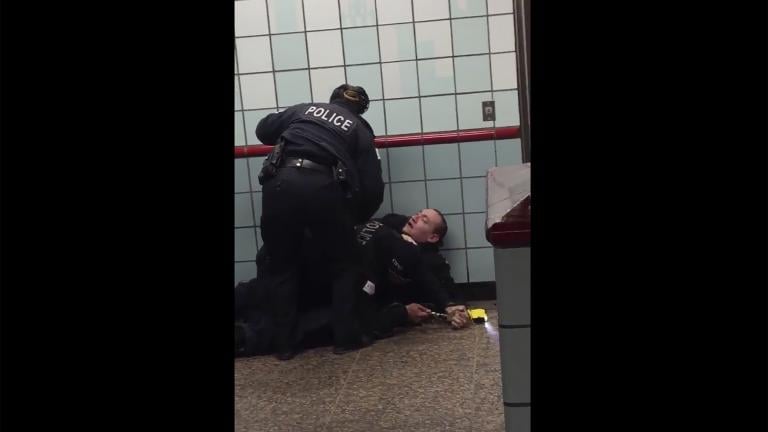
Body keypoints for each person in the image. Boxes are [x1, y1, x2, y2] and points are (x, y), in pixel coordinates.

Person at [254, 84, 385, 360]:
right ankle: (346, 338)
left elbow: (263, 129)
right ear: (361, 109)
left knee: (281, 265)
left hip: (278, 184)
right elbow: (373, 189)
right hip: (323, 188)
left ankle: (285, 345)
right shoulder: (360, 129)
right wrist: (353, 220)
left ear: (333, 99)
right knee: (345, 263)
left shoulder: (305, 110)